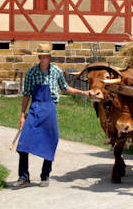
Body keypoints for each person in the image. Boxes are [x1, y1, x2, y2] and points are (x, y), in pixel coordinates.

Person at [12, 43, 91, 189]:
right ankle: (23, 177)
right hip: (35, 108)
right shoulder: (31, 72)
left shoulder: (56, 71)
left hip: (49, 109)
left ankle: (45, 175)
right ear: (39, 57)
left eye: (45, 56)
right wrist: (22, 115)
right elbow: (26, 94)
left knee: (50, 141)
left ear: (49, 57)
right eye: (41, 56)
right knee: (23, 143)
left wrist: (83, 93)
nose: (43, 58)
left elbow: (65, 88)